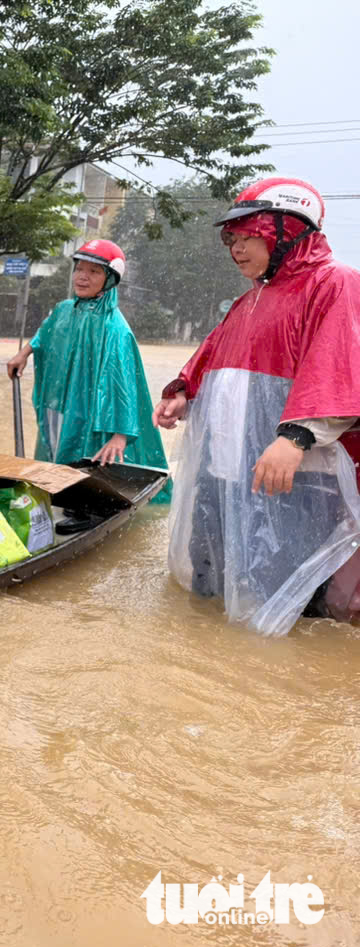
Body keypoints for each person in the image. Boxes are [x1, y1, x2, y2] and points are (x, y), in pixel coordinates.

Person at [152, 176, 360, 633]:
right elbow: (212, 360)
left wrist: (296, 437)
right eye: (233, 238)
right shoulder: (249, 301)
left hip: (295, 480)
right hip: (225, 475)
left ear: (287, 230)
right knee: (210, 595)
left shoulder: (334, 283)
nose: (237, 248)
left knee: (290, 609)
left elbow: (339, 366)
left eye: (250, 235)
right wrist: (184, 394)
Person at [5, 239, 171, 501]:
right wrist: (24, 353)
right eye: (80, 269)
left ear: (110, 279)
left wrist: (120, 435)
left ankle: (75, 504)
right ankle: (51, 499)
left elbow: (123, 384)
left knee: (82, 467)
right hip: (57, 404)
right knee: (54, 458)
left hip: (90, 412)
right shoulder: (64, 310)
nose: (82, 277)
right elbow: (46, 334)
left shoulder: (114, 328)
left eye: (93, 272)